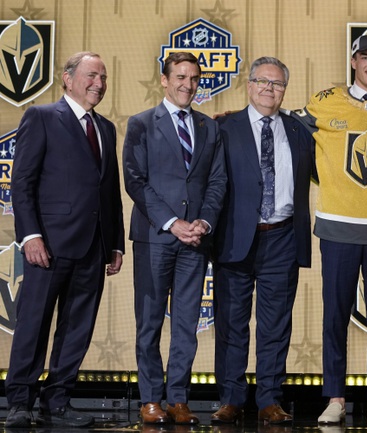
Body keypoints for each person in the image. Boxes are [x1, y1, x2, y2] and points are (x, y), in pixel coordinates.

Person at [295, 33, 367, 426]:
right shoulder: (323, 103)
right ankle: (336, 397)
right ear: (353, 60)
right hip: (338, 228)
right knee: (335, 316)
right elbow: (287, 130)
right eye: (366, 57)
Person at [5, 51, 124, 428]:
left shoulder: (106, 127)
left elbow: (109, 191)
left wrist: (116, 242)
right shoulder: (41, 117)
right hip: (48, 247)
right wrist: (31, 236)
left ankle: (57, 401)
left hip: (94, 247)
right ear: (67, 79)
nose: (99, 84)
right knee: (33, 325)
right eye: (91, 75)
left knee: (77, 329)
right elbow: (21, 184)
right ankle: (20, 402)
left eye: (103, 78)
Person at [122, 51, 227, 425]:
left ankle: (177, 399)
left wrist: (204, 222)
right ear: (164, 81)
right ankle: (150, 399)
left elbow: (217, 182)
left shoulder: (209, 127)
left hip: (196, 241)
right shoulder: (141, 123)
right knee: (149, 321)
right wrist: (172, 222)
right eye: (180, 77)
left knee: (187, 323)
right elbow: (135, 180)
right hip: (154, 237)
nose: (188, 84)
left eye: (194, 78)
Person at [210, 56, 314, 425]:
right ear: (249, 85)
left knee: (275, 325)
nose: (270, 89)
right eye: (263, 82)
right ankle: (231, 398)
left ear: (285, 90)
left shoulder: (300, 131)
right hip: (236, 238)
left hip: (282, 237)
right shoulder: (223, 128)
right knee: (232, 322)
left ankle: (270, 399)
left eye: (278, 84)